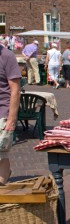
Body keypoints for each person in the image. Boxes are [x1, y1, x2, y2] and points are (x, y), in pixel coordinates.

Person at [0, 42, 21, 184]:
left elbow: (15, 89)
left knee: (1, 152)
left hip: (2, 111)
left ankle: (2, 181)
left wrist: (11, 118)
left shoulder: (7, 56)